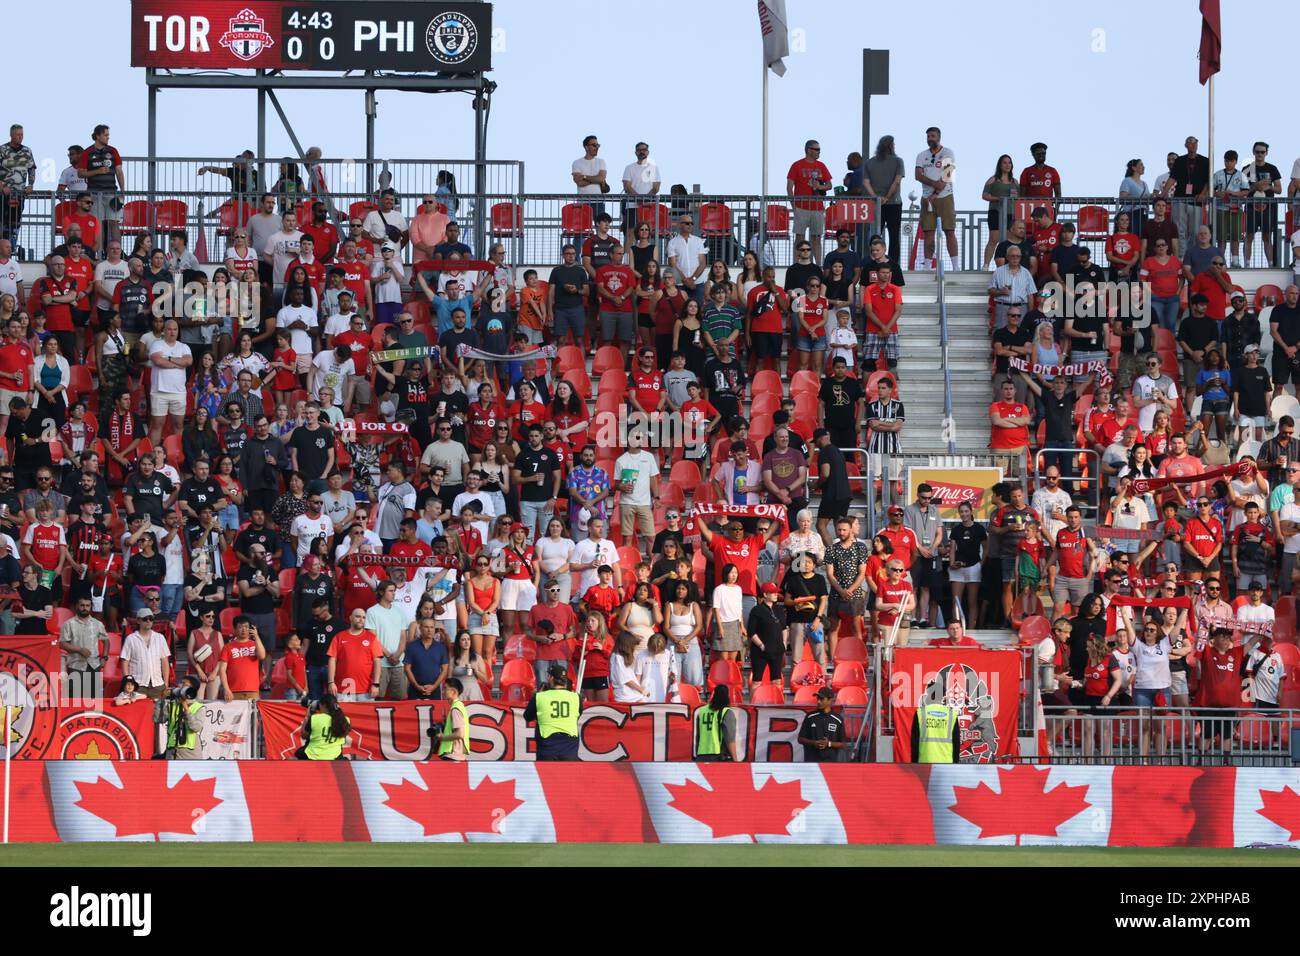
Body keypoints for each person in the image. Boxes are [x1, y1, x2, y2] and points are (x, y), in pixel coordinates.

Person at [525, 666, 582, 761]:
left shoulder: (539, 696)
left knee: (546, 776)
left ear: (551, 678)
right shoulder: (576, 697)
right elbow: (577, 715)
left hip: (547, 748)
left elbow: (527, 716)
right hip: (569, 748)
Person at [156, 675, 205, 760]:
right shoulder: (173, 704)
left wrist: (186, 708)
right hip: (172, 752)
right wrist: (162, 700)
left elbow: (196, 727)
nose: (179, 685)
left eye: (183, 684)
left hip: (190, 754)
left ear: (191, 689)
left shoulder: (199, 707)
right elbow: (158, 719)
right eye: (180, 683)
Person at [798, 686, 848, 762]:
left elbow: (843, 744)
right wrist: (814, 743)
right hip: (811, 762)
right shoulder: (810, 716)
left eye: (821, 699)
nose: (818, 701)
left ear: (830, 700)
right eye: (818, 698)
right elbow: (800, 739)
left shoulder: (838, 719)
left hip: (830, 763)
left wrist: (829, 744)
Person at [297, 694, 351, 761]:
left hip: (313, 755)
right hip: (335, 756)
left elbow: (304, 735)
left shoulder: (315, 718)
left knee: (299, 753)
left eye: (319, 704)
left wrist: (307, 717)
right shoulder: (345, 720)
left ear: (324, 705)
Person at [694, 684, 739, 762]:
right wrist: (735, 760)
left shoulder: (702, 711)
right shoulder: (726, 712)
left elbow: (698, 737)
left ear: (713, 695)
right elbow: (730, 739)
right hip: (719, 757)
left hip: (701, 756)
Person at [910, 695, 960, 763]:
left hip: (924, 762)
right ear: (943, 696)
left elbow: (914, 741)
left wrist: (914, 763)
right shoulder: (951, 714)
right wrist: (955, 763)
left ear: (928, 696)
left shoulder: (920, 713)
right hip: (947, 763)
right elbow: (956, 742)